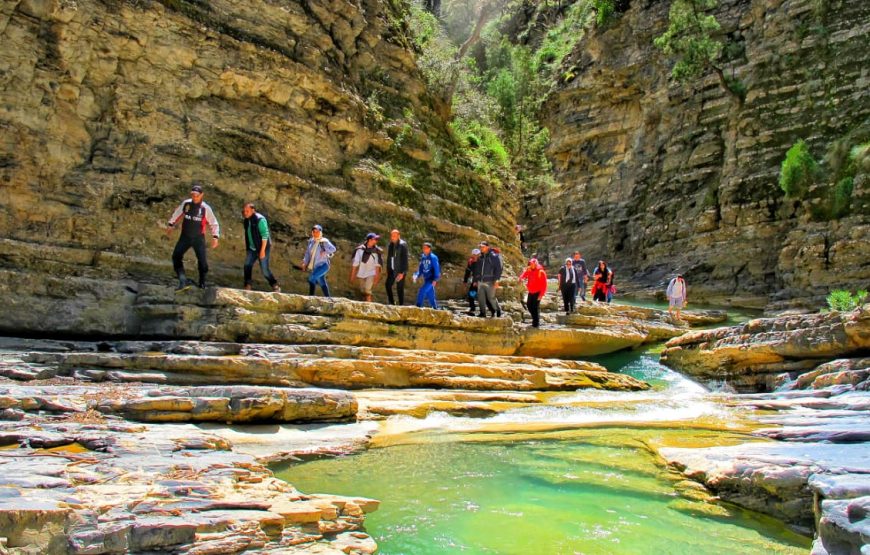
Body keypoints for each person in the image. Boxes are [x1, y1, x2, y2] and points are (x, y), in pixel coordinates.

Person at [166, 183, 220, 292]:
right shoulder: (186, 204)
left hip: (198, 238)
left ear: (201, 195)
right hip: (185, 236)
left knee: (203, 262)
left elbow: (213, 222)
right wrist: (170, 224)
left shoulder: (205, 208)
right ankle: (182, 281)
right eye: (193, 195)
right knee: (176, 256)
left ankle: (202, 283)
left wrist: (215, 237)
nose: (195, 197)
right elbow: (177, 213)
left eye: (197, 195)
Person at [242, 203, 280, 292]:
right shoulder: (247, 221)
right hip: (252, 248)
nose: (245, 213)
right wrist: (248, 249)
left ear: (253, 210)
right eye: (244, 211)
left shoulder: (260, 220)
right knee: (247, 265)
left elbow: (265, 236)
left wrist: (262, 251)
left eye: (247, 211)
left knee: (264, 269)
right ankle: (248, 285)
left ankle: (275, 285)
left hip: (263, 248)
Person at [302, 224, 336, 297]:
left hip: (324, 265)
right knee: (322, 282)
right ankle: (328, 298)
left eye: (317, 231)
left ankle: (311, 296)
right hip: (316, 266)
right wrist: (305, 262)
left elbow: (333, 249)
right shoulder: (311, 242)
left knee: (312, 277)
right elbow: (308, 253)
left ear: (320, 232)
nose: (315, 233)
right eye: (314, 231)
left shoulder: (324, 241)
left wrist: (325, 252)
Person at [351, 233, 383, 302]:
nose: (376, 241)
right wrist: (352, 276)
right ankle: (364, 305)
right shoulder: (360, 249)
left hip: (371, 272)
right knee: (362, 290)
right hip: (361, 272)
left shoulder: (377, 251)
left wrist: (377, 277)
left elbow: (377, 265)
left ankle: (369, 305)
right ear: (369, 240)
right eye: (375, 239)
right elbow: (355, 263)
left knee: (367, 289)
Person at [477, 241, 503, 318]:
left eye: (483, 247)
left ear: (487, 247)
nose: (481, 248)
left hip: (490, 281)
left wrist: (497, 279)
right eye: (480, 247)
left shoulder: (494, 256)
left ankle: (498, 310)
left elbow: (499, 268)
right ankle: (482, 313)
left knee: (491, 298)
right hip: (480, 281)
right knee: (480, 297)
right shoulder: (481, 256)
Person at [519, 258, 547, 328]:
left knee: (535, 307)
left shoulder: (541, 272)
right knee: (529, 306)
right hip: (531, 292)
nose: (531, 265)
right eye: (531, 264)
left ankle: (536, 323)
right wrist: (521, 278)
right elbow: (524, 274)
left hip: (538, 292)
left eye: (533, 264)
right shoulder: (529, 270)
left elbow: (544, 285)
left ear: (536, 264)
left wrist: (541, 295)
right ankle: (535, 318)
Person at [385, 229, 409, 306]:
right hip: (392, 270)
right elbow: (389, 258)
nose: (392, 237)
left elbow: (405, 259)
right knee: (388, 285)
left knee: (400, 288)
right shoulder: (390, 245)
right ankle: (392, 302)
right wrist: (388, 269)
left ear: (398, 236)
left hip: (400, 270)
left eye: (394, 236)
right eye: (392, 236)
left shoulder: (403, 245)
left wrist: (403, 273)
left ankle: (401, 305)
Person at [414, 242, 441, 309]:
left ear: (429, 249)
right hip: (426, 279)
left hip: (431, 279)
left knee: (422, 290)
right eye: (423, 248)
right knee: (431, 296)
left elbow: (437, 268)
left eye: (425, 248)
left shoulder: (433, 257)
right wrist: (416, 275)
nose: (424, 249)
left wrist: (435, 279)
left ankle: (418, 306)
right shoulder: (423, 257)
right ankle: (435, 309)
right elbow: (420, 269)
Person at [463, 248, 482, 315]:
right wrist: (465, 281)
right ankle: (472, 307)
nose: (475, 256)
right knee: (471, 294)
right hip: (475, 281)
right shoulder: (470, 262)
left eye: (477, 255)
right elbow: (467, 272)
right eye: (474, 254)